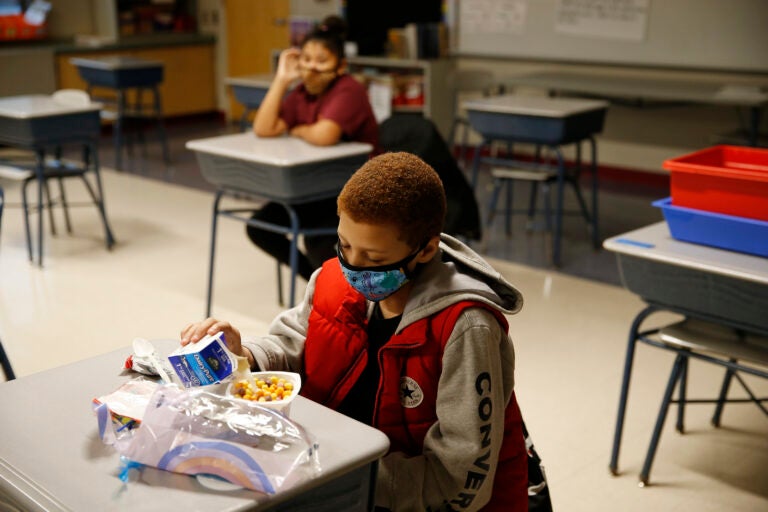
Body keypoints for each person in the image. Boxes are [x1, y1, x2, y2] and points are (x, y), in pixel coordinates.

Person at [180, 152, 529, 511]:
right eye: (344, 245)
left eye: (375, 259)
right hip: (343, 475)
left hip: (411, 497)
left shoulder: (466, 328)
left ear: (425, 249)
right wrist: (247, 356)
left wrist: (338, 470)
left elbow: (457, 480)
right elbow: (294, 343)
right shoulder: (332, 279)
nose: (353, 268)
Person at [249, 15, 379, 281]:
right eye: (306, 59)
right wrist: (282, 80)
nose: (311, 68)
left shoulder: (348, 89)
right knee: (259, 228)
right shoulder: (301, 93)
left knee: (318, 245)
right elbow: (263, 128)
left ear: (340, 65)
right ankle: (315, 283)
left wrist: (296, 130)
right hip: (313, 188)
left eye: (321, 61)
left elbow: (324, 135)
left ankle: (336, 291)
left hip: (353, 192)